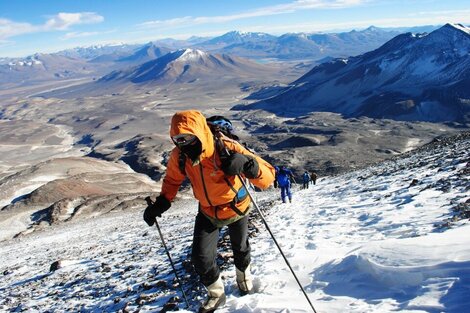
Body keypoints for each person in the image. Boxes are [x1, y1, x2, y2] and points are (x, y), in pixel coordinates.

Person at [143, 111, 275, 312]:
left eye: (187, 137)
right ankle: (216, 294)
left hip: (236, 206)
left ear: (198, 133)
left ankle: (244, 278)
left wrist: (248, 164)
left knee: (240, 247)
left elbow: (268, 178)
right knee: (200, 258)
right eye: (177, 139)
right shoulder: (180, 156)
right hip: (207, 210)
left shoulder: (226, 147)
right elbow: (172, 180)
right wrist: (162, 202)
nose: (182, 143)